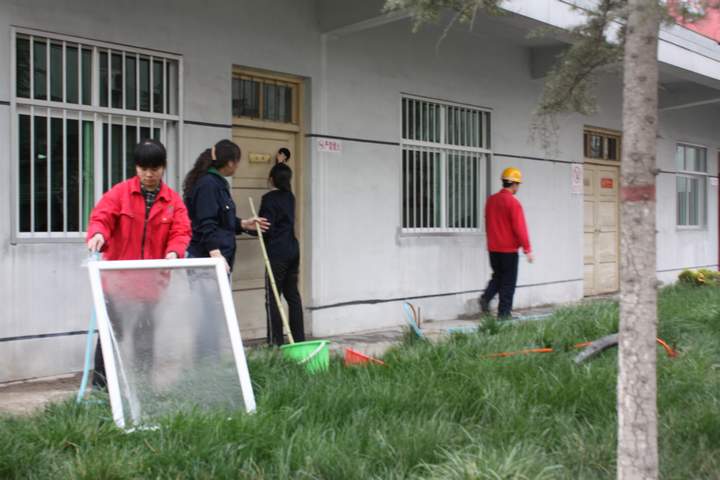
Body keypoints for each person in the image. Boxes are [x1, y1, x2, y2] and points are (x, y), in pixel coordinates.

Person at [86, 139, 192, 389]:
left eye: (155, 168)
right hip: (117, 282)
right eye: (143, 168)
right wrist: (98, 234)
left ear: (163, 167)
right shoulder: (120, 193)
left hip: (151, 285)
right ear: (136, 168)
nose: (149, 174)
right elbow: (101, 217)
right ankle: (101, 389)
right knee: (111, 335)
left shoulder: (172, 201)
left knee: (145, 337)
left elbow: (181, 231)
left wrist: (174, 252)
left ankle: (144, 389)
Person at [183, 139, 269, 272]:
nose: (238, 166)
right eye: (238, 161)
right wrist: (215, 254)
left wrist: (243, 224)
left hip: (218, 260)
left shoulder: (218, 183)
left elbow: (221, 219)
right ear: (230, 163)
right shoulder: (208, 184)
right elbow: (206, 223)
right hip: (207, 261)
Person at [478, 167, 534, 319]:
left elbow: (488, 222)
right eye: (518, 184)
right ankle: (504, 315)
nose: (518, 187)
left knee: (497, 277)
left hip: (493, 249)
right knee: (508, 283)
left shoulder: (491, 200)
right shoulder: (513, 203)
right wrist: (527, 249)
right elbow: (520, 228)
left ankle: (486, 297)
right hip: (508, 250)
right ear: (514, 184)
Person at [259, 163, 305, 345]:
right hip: (292, 249)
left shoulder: (269, 199)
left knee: (273, 298)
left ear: (271, 179)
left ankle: (275, 343)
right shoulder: (290, 197)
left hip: (277, 252)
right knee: (292, 296)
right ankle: (299, 340)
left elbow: (266, 228)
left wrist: (248, 229)